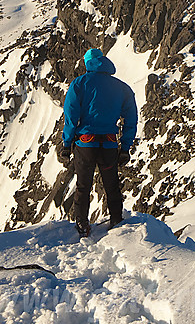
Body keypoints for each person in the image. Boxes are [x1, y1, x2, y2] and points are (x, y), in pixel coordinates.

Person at [58, 48, 137, 238]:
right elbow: (131, 119)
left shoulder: (79, 84)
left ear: (88, 63)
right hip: (109, 143)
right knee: (112, 185)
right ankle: (116, 220)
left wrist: (67, 144)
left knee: (83, 185)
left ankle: (82, 224)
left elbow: (71, 116)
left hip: (85, 143)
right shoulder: (122, 87)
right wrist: (125, 147)